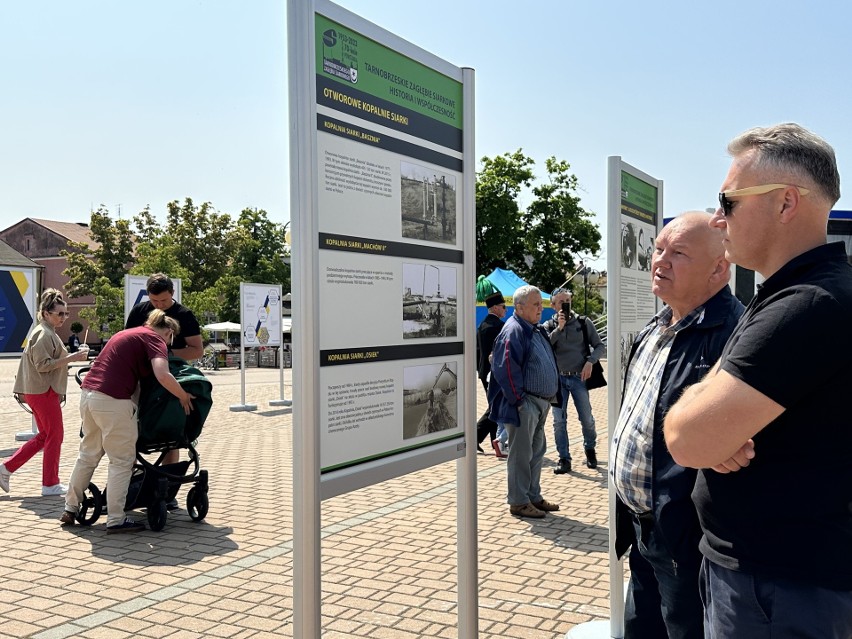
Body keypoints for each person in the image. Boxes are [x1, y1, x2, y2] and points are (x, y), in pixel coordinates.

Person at [664, 123, 852, 637]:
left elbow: (687, 437)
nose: (718, 217)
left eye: (728, 200)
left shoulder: (806, 305)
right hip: (777, 580)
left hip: (777, 590)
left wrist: (709, 425)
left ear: (786, 203)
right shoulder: (800, 293)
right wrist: (716, 424)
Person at [611, 212, 744, 638]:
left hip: (685, 538)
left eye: (679, 253)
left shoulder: (735, 336)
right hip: (641, 525)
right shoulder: (657, 326)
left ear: (718, 269)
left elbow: (744, 443)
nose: (660, 262)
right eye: (659, 249)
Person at [60, 310, 195, 533]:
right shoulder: (155, 339)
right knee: (122, 461)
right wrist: (182, 395)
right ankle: (116, 518)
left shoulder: (126, 333)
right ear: (169, 333)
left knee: (88, 455)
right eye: (170, 341)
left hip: (88, 395)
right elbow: (162, 374)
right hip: (114, 400)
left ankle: (70, 507)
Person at [1, 289, 90, 496]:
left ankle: (6, 469)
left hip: (40, 390)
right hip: (42, 391)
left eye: (66, 313)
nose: (64, 317)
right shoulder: (43, 333)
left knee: (45, 436)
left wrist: (72, 357)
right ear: (46, 313)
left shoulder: (46, 331)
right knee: (55, 436)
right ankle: (49, 483)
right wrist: (73, 358)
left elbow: (51, 362)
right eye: (60, 313)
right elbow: (43, 365)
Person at [125, 272, 202, 506]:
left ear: (173, 294)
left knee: (172, 437)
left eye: (164, 301)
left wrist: (164, 353)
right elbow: (127, 339)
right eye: (155, 301)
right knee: (130, 435)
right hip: (141, 380)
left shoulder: (184, 315)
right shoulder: (139, 311)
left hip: (172, 378)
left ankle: (168, 492)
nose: (159, 306)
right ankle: (130, 489)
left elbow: (197, 350)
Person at [487, 285, 561, 519]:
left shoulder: (533, 328)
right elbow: (505, 368)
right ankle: (519, 502)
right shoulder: (514, 330)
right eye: (536, 304)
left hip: (540, 403)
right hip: (525, 403)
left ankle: (533, 496)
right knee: (520, 454)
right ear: (519, 307)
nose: (542, 308)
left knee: (536, 451)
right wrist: (519, 401)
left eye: (542, 303)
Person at [541, 288, 605, 473]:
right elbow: (546, 346)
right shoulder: (548, 325)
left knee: (586, 418)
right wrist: (559, 329)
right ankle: (564, 458)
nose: (564, 305)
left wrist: (591, 361)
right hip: (558, 380)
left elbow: (599, 345)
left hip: (579, 378)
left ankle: (590, 449)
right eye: (560, 302)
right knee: (559, 421)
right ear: (553, 306)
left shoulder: (584, 322)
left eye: (567, 300)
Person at [475, 291, 507, 457]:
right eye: (503, 306)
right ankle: (475, 436)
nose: (506, 309)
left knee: (495, 406)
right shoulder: (498, 327)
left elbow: (477, 351)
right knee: (495, 407)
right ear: (495, 307)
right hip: (494, 373)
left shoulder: (481, 325)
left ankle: (497, 442)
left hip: (484, 371)